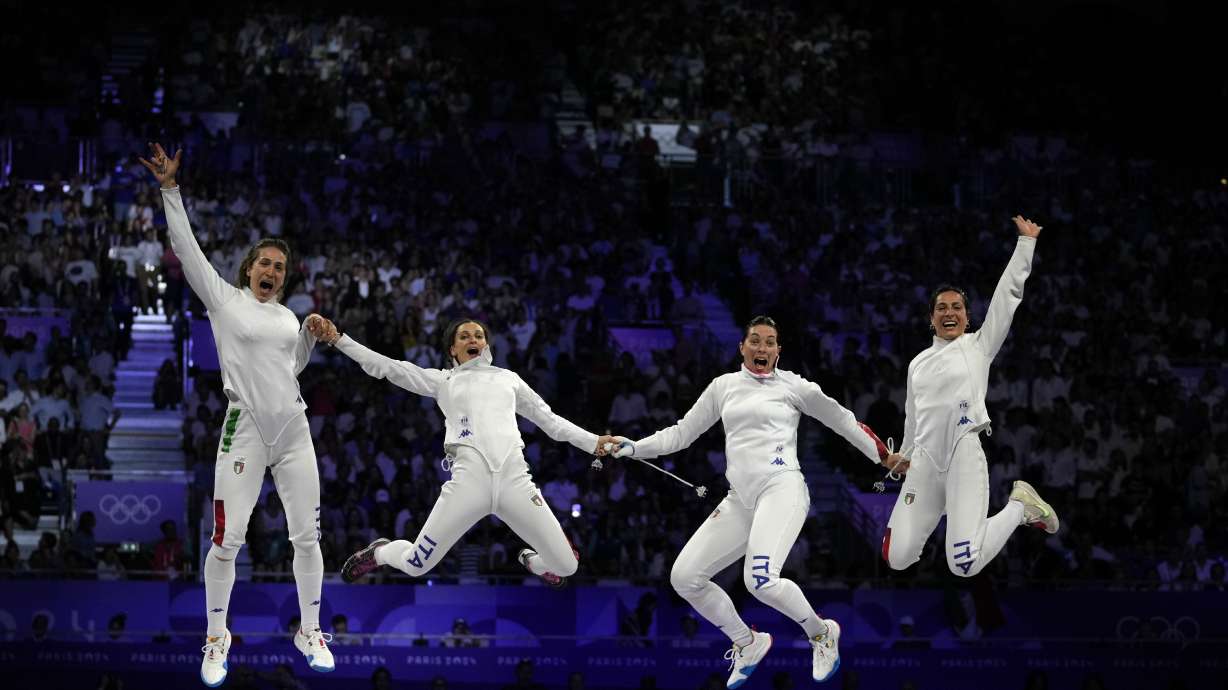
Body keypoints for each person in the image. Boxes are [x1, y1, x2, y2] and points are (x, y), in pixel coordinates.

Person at [609, 316, 904, 686]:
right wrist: (636, 447)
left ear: (779, 350)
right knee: (684, 577)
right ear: (742, 347)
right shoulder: (723, 387)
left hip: (783, 489)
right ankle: (747, 642)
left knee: (760, 579)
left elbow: (842, 420)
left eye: (770, 342)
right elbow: (681, 434)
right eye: (755, 341)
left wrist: (883, 456)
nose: (762, 348)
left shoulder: (795, 387)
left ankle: (821, 633)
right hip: (741, 499)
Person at [139, 143, 334, 686]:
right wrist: (170, 190)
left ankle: (311, 630)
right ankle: (216, 638)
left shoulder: (287, 318)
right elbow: (187, 247)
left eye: (280, 267)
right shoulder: (225, 301)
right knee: (227, 540)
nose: (273, 269)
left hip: (293, 431)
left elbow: (289, 370)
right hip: (243, 429)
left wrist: (311, 341)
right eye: (265, 263)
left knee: (307, 538)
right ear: (249, 269)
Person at [315, 317, 615, 587]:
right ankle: (380, 552)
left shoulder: (509, 379)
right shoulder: (444, 380)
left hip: (516, 482)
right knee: (416, 565)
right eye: (464, 336)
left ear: (486, 345)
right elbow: (388, 367)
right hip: (468, 484)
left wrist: (594, 442)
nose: (473, 339)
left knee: (567, 566)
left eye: (479, 335)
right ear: (452, 349)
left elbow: (550, 422)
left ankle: (531, 561)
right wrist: (339, 339)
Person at [882, 216, 1059, 582]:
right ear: (931, 319)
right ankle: (947, 505)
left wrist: (1026, 245)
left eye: (957, 308)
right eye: (942, 308)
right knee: (896, 557)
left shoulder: (978, 346)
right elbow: (913, 421)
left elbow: (1006, 299)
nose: (950, 313)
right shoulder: (917, 364)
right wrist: (904, 457)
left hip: (963, 453)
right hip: (926, 464)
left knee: (963, 565)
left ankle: (1019, 506)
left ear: (967, 316)